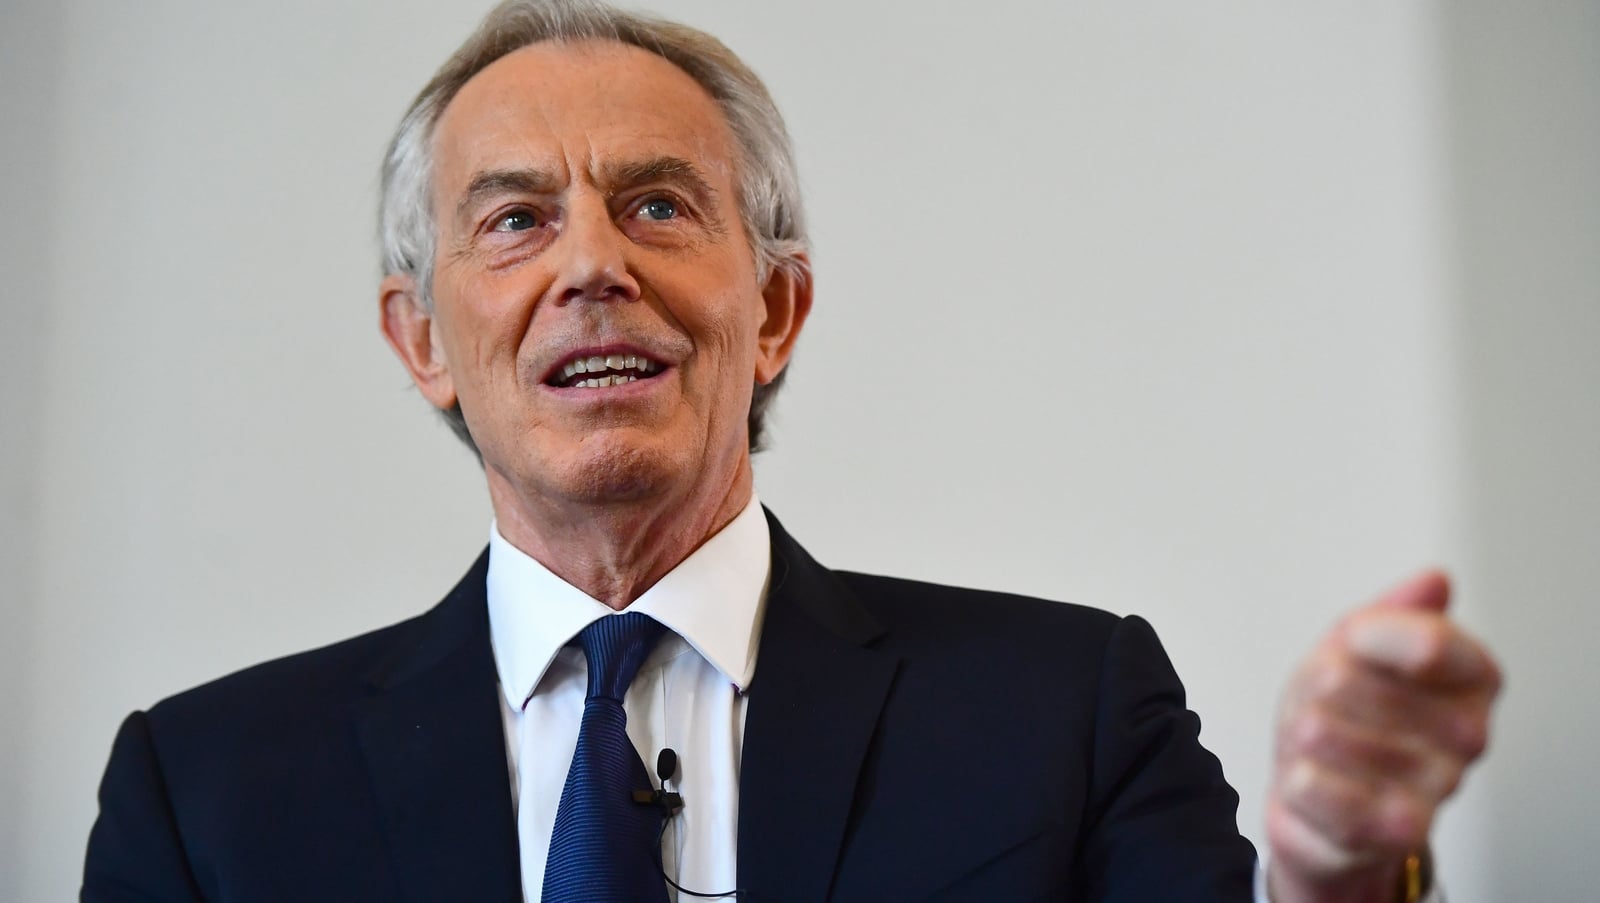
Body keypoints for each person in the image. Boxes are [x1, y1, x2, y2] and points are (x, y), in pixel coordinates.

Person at [81, 1, 1501, 901]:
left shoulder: (1067, 711)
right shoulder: (205, 793)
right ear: (422, 340)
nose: (590, 265)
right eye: (516, 220)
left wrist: (1333, 879)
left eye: (657, 206)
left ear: (774, 311)